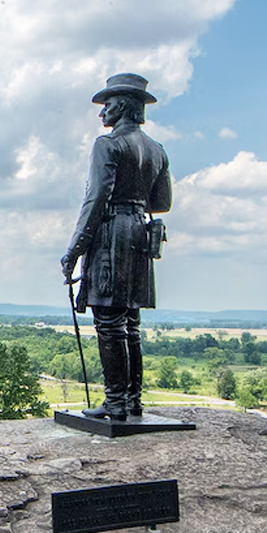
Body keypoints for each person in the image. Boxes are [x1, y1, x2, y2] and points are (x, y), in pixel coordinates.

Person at [61, 73, 172, 421]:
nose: (101, 113)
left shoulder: (107, 146)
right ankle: (132, 400)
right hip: (138, 232)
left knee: (109, 322)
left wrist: (75, 249)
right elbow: (162, 201)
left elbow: (95, 199)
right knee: (130, 323)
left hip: (111, 235)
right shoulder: (157, 150)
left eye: (106, 105)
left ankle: (115, 401)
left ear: (122, 106)